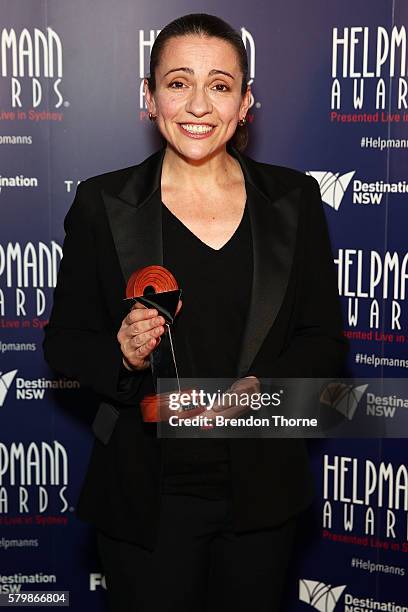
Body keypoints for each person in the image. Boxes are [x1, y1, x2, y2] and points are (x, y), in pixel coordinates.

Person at [43, 13, 348, 612]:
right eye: (178, 82)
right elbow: (65, 340)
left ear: (245, 103)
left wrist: (268, 391)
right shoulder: (104, 203)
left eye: (220, 84)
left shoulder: (293, 200)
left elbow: (324, 340)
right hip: (145, 498)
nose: (198, 105)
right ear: (149, 98)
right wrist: (122, 352)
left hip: (261, 494)